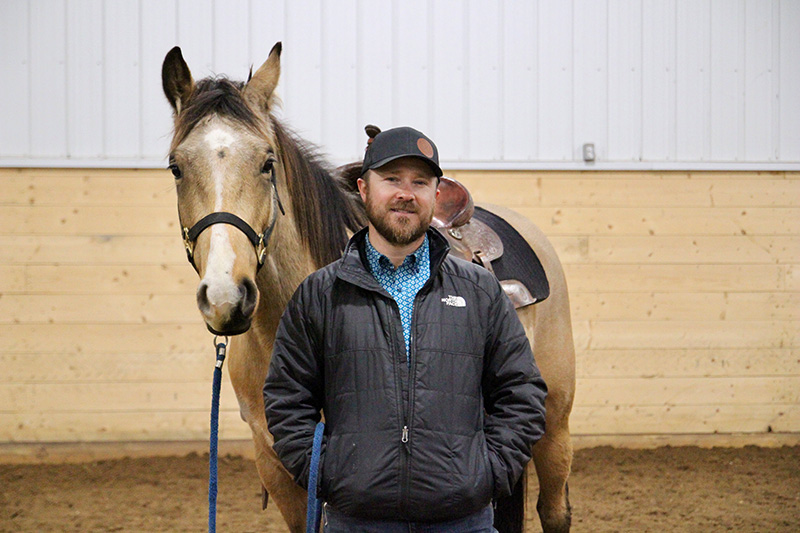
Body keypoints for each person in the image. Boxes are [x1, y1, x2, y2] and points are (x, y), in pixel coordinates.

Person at [264, 126, 547, 532]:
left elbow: (522, 392)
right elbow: (287, 398)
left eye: (420, 182)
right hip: (357, 519)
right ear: (364, 189)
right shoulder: (320, 294)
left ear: (436, 194)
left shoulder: (480, 290)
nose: (406, 193)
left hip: (462, 519)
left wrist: (487, 473)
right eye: (392, 179)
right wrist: (327, 473)